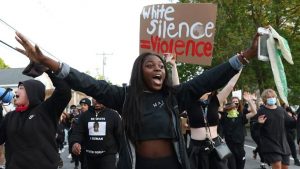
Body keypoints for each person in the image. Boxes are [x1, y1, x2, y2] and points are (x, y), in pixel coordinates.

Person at [14, 31, 258, 169]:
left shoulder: (175, 97)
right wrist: (47, 62)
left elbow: (209, 78)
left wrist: (245, 56)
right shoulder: (124, 97)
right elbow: (85, 82)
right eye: (150, 65)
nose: (158, 69)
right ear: (139, 71)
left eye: (161, 66)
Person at [0, 70, 71, 169]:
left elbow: (64, 91)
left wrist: (47, 71)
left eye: (21, 88)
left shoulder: (46, 110)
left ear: (32, 91)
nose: (16, 91)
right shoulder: (10, 117)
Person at [71, 99, 122, 169]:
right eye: (95, 98)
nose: (97, 100)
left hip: (108, 157)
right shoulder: (84, 116)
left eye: (100, 97)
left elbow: (120, 135)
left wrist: (123, 155)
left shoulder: (113, 115)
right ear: (92, 99)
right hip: (89, 157)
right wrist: (75, 143)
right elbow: (77, 132)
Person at [258, 89, 295, 169]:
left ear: (275, 97)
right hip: (270, 144)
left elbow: (291, 124)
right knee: (277, 166)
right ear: (265, 99)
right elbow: (255, 129)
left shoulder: (281, 110)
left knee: (285, 167)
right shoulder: (261, 111)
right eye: (269, 97)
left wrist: (296, 119)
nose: (271, 98)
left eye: (273, 96)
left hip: (283, 144)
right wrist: (259, 124)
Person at [220, 92, 257, 169]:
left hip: (240, 147)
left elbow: (254, 112)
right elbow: (217, 112)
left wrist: (249, 100)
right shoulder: (224, 116)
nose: (234, 105)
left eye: (236, 103)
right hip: (229, 148)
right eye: (233, 103)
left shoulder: (241, 116)